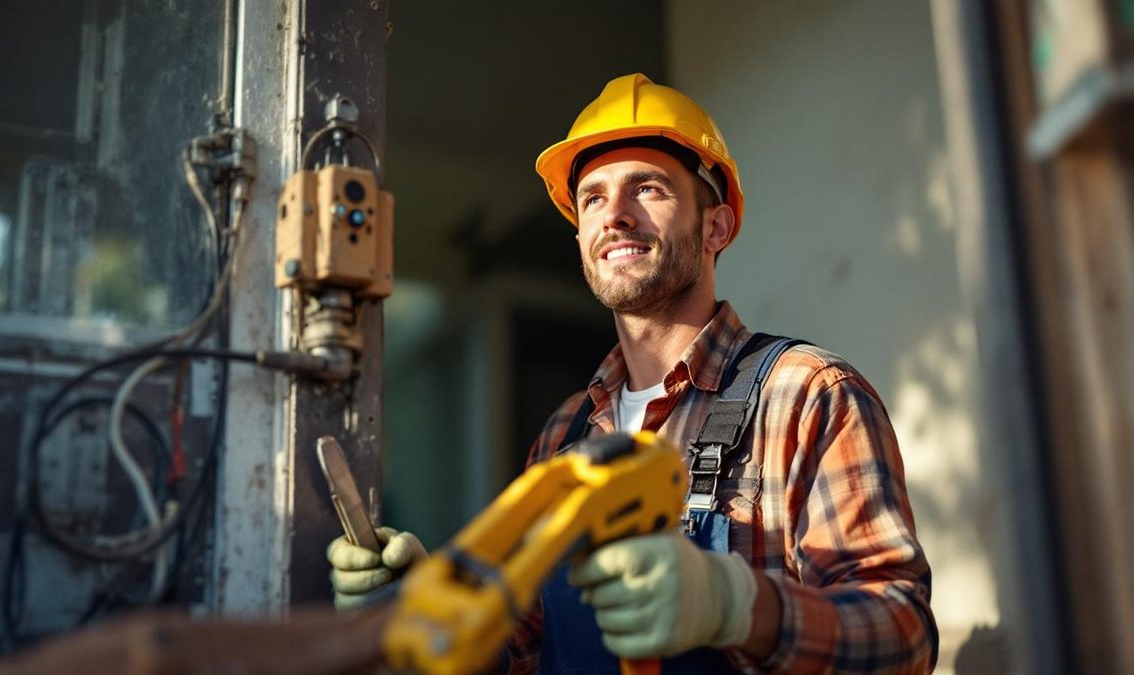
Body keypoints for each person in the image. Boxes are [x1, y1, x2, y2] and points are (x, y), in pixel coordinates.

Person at [327, 73, 938, 674]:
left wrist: (736, 607)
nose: (614, 215)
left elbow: (902, 635)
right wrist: (427, 612)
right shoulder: (566, 435)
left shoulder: (807, 395)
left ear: (715, 226)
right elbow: (527, 649)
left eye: (647, 188)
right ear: (582, 240)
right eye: (593, 198)